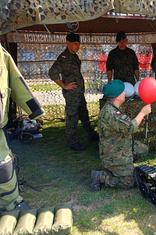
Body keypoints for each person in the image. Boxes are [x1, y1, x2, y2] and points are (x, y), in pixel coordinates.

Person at [0, 43, 44, 211]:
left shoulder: (1, 53)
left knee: (3, 165)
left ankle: (10, 202)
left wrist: (35, 111)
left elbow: (17, 81)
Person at [91, 80, 151, 191]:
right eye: (123, 92)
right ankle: (101, 177)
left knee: (143, 149)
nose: (125, 93)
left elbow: (125, 124)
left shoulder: (110, 107)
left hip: (118, 145)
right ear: (118, 96)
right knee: (130, 182)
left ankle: (123, 168)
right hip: (114, 154)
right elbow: (130, 127)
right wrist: (142, 113)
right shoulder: (112, 113)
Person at [49, 33, 98, 151]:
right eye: (75, 43)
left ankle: (91, 135)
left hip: (79, 93)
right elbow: (52, 73)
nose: (78, 46)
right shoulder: (64, 57)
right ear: (68, 43)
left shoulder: (74, 56)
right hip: (72, 95)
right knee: (72, 117)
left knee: (84, 114)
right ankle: (73, 142)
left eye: (79, 43)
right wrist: (64, 86)